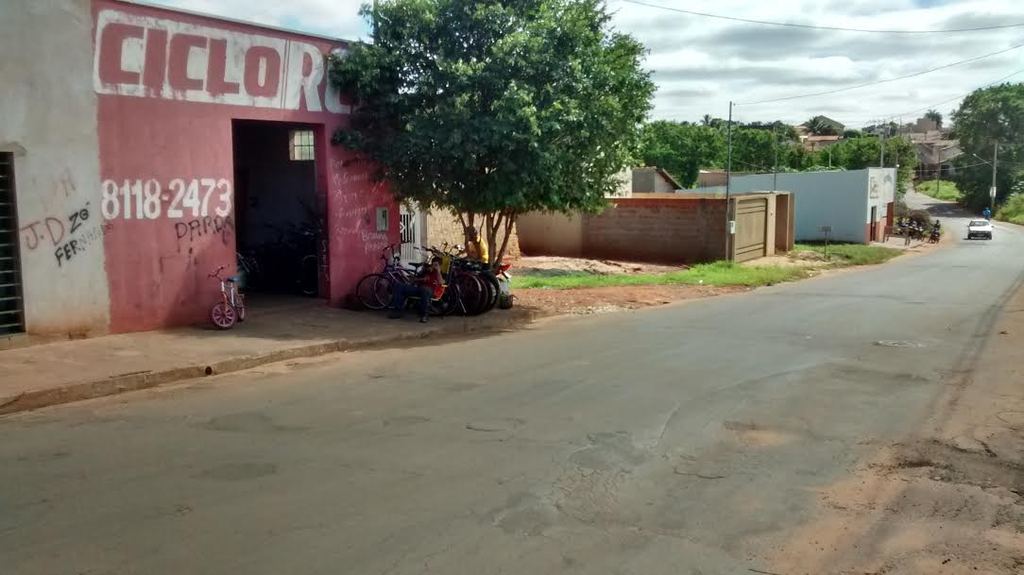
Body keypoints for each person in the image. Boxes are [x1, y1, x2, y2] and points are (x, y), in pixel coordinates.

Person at [388, 258, 444, 323]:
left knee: (425, 290)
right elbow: (416, 279)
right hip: (418, 289)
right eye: (433, 264)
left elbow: (441, 282)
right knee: (399, 286)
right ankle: (397, 311)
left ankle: (424, 315)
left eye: (436, 264)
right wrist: (422, 277)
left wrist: (438, 271)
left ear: (439, 265)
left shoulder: (439, 272)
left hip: (429, 290)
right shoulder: (426, 270)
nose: (434, 266)